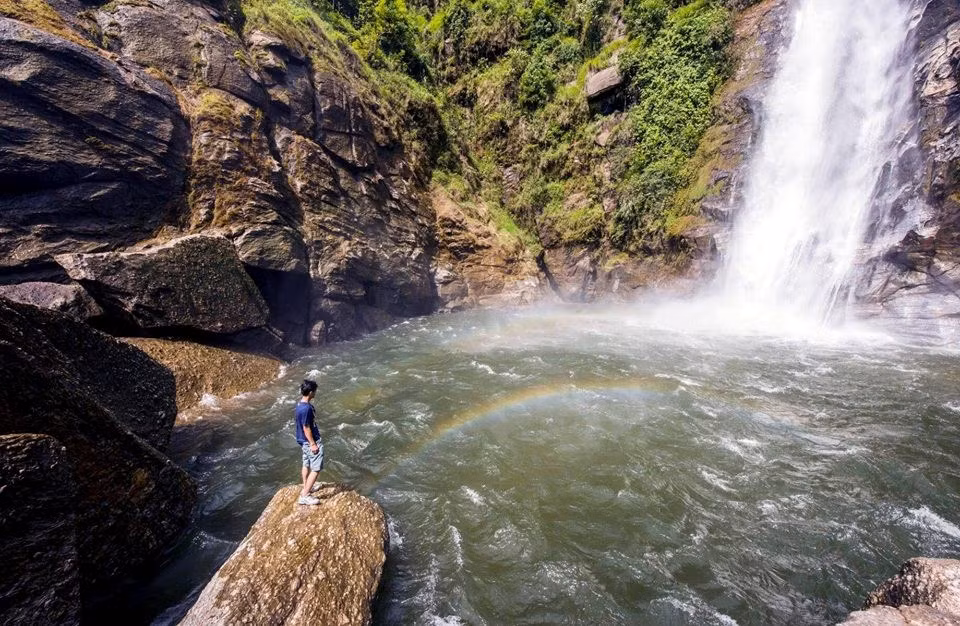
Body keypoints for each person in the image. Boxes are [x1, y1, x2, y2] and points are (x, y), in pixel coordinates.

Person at [294, 379, 324, 505]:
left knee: (306, 463)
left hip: (302, 440)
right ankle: (305, 495)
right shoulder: (306, 409)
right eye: (315, 391)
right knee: (316, 468)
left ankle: (306, 487)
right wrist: (313, 444)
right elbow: (306, 428)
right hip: (309, 441)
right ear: (311, 392)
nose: (315, 393)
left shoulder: (300, 405)